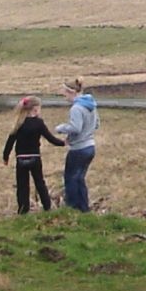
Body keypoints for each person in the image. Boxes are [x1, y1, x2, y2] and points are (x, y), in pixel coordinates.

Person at [2, 96, 65, 214]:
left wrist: (5, 157)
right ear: (35, 109)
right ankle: (47, 207)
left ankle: (23, 210)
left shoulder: (19, 123)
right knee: (39, 182)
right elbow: (50, 138)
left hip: (21, 159)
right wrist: (63, 143)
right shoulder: (39, 123)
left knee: (22, 186)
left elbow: (9, 142)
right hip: (35, 157)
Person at [56, 77, 98, 212]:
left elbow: (76, 128)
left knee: (70, 179)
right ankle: (84, 208)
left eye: (65, 93)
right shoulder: (91, 105)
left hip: (79, 148)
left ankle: (72, 208)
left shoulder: (76, 108)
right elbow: (97, 124)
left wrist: (61, 128)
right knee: (80, 179)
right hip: (90, 146)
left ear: (71, 92)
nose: (64, 96)